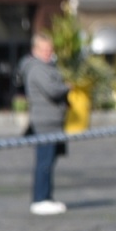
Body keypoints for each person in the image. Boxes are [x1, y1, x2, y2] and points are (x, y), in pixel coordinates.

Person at [18, 31, 70, 216]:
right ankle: (40, 199)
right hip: (44, 122)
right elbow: (53, 90)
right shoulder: (37, 68)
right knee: (44, 162)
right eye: (45, 49)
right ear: (36, 49)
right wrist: (68, 87)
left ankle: (47, 197)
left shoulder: (48, 67)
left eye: (50, 49)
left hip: (54, 121)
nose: (49, 52)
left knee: (49, 162)